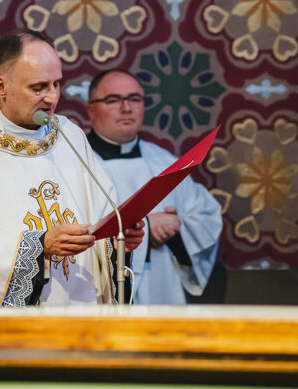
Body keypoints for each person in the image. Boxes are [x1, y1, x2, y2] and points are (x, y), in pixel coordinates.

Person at [0, 31, 144, 311]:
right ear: (0, 86)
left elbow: (100, 219)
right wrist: (40, 244)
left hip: (80, 311)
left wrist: (118, 240)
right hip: (17, 325)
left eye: (56, 84)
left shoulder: (69, 135)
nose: (52, 97)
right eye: (38, 87)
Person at [86, 69, 224, 305]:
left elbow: (206, 217)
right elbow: (72, 231)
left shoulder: (166, 163)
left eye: (134, 99)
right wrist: (147, 228)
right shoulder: (77, 164)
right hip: (99, 295)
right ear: (91, 110)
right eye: (113, 100)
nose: (126, 108)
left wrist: (176, 227)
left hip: (163, 290)